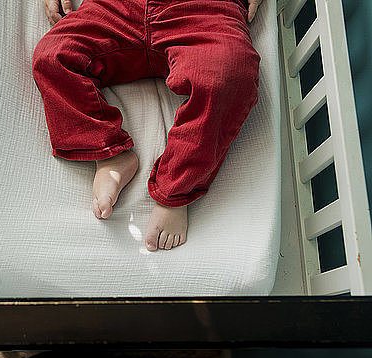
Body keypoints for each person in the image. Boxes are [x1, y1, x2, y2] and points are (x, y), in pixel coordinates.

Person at [32, 0, 263, 251]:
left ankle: (175, 189)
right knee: (52, 56)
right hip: (115, 7)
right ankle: (109, 155)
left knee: (230, 75)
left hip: (202, 9)